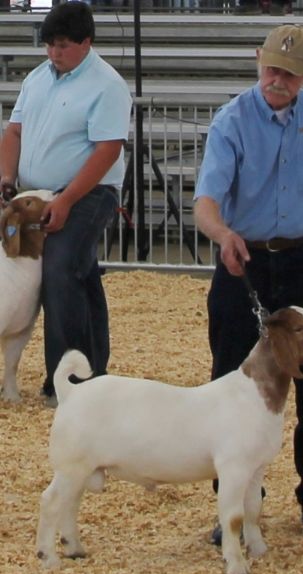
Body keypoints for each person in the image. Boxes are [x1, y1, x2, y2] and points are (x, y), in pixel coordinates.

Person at [194, 25, 303, 547]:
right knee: (229, 382)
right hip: (244, 260)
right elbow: (206, 202)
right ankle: (237, 509)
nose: (277, 78)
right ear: (256, 62)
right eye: (270, 67)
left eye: (289, 72)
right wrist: (222, 234)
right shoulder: (232, 121)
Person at [0, 1, 132, 407]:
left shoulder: (107, 84)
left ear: (86, 42)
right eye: (49, 45)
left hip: (89, 192)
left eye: (62, 45)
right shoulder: (38, 78)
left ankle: (66, 382)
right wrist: (6, 178)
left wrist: (69, 199)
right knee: (78, 273)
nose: (54, 53)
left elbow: (108, 150)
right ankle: (91, 371)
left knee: (61, 266)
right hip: (31, 194)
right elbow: (15, 132)